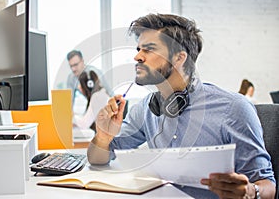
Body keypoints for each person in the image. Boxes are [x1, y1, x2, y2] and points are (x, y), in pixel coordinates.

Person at [87, 13, 276, 198]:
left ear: (179, 57)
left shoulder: (233, 108)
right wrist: (103, 137)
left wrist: (252, 192)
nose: (137, 57)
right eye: (138, 49)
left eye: (149, 49)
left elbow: (267, 185)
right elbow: (97, 159)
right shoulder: (147, 108)